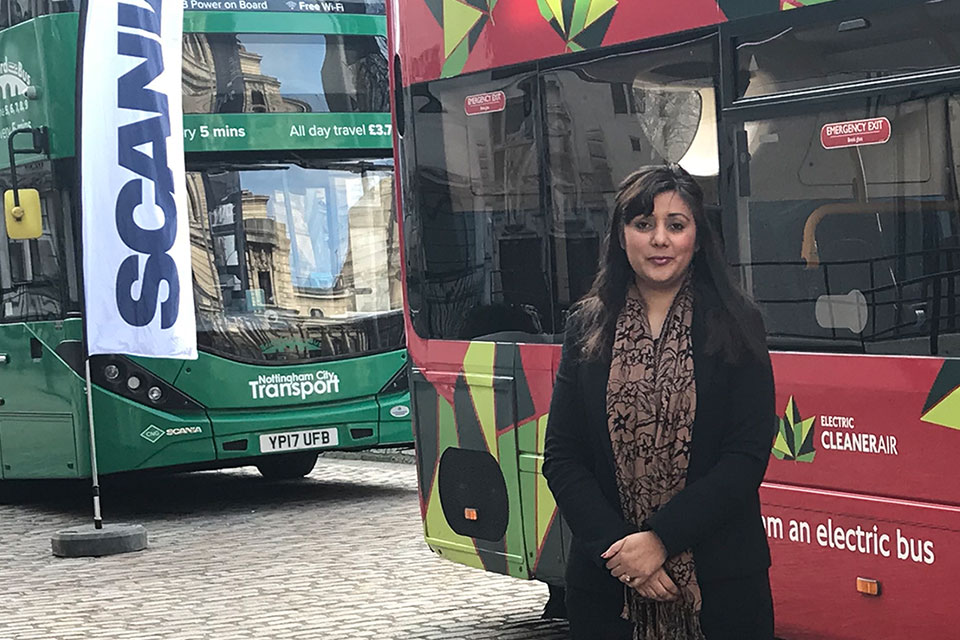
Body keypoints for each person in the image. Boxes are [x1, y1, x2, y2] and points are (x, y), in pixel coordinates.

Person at [542, 164, 776, 640]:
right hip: (608, 590)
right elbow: (563, 457)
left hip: (723, 586)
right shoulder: (586, 327)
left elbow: (746, 456)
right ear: (621, 236)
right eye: (643, 224)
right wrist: (624, 554)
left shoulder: (737, 322)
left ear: (696, 236)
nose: (659, 240)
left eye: (676, 224)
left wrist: (661, 539)